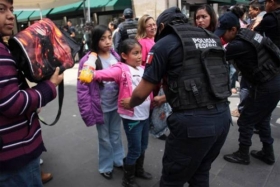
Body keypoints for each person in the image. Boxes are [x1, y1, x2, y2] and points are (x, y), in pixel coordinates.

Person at [121, 7, 232, 187]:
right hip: (223, 119)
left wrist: (130, 103)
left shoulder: (164, 44)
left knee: (172, 180)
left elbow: (141, 92)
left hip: (193, 125)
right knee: (201, 172)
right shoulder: (211, 38)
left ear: (162, 26)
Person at [0, 1, 64, 187]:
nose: (11, 15)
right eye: (1, 9)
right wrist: (49, 87)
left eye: (11, 9)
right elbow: (12, 103)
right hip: (17, 154)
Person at [215, 12, 280, 166]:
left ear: (233, 30)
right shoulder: (249, 33)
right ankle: (268, 153)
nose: (222, 36)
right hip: (274, 81)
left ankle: (243, 154)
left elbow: (217, 56)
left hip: (267, 86)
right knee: (263, 118)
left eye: (223, 32)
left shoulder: (238, 45)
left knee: (245, 120)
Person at [91, 39, 153, 187]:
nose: (139, 56)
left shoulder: (142, 69)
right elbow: (103, 74)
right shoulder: (121, 69)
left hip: (145, 115)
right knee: (135, 149)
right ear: (124, 55)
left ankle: (138, 170)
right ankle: (127, 179)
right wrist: (90, 71)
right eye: (135, 53)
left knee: (143, 146)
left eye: (140, 53)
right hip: (132, 117)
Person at [77, 25, 124, 180]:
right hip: (100, 107)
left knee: (116, 134)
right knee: (104, 138)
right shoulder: (88, 60)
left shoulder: (115, 56)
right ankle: (106, 166)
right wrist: (86, 110)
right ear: (96, 41)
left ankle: (118, 160)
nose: (107, 42)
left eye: (109, 38)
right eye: (103, 38)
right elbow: (82, 89)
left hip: (116, 105)